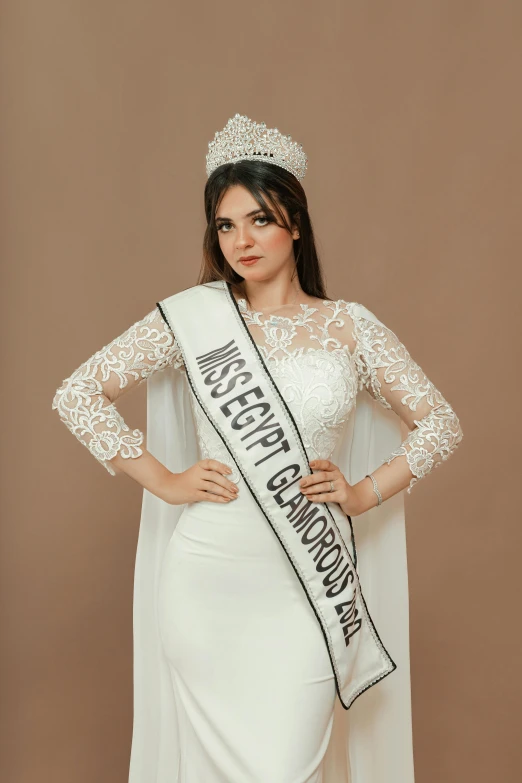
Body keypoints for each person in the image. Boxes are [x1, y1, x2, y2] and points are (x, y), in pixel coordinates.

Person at [52, 113, 463, 783]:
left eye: (261, 219)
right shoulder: (194, 319)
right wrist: (163, 479)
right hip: (207, 582)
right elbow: (77, 392)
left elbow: (439, 421)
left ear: (296, 224)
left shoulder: (350, 326)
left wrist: (363, 493)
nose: (242, 239)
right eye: (225, 224)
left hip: (304, 587)